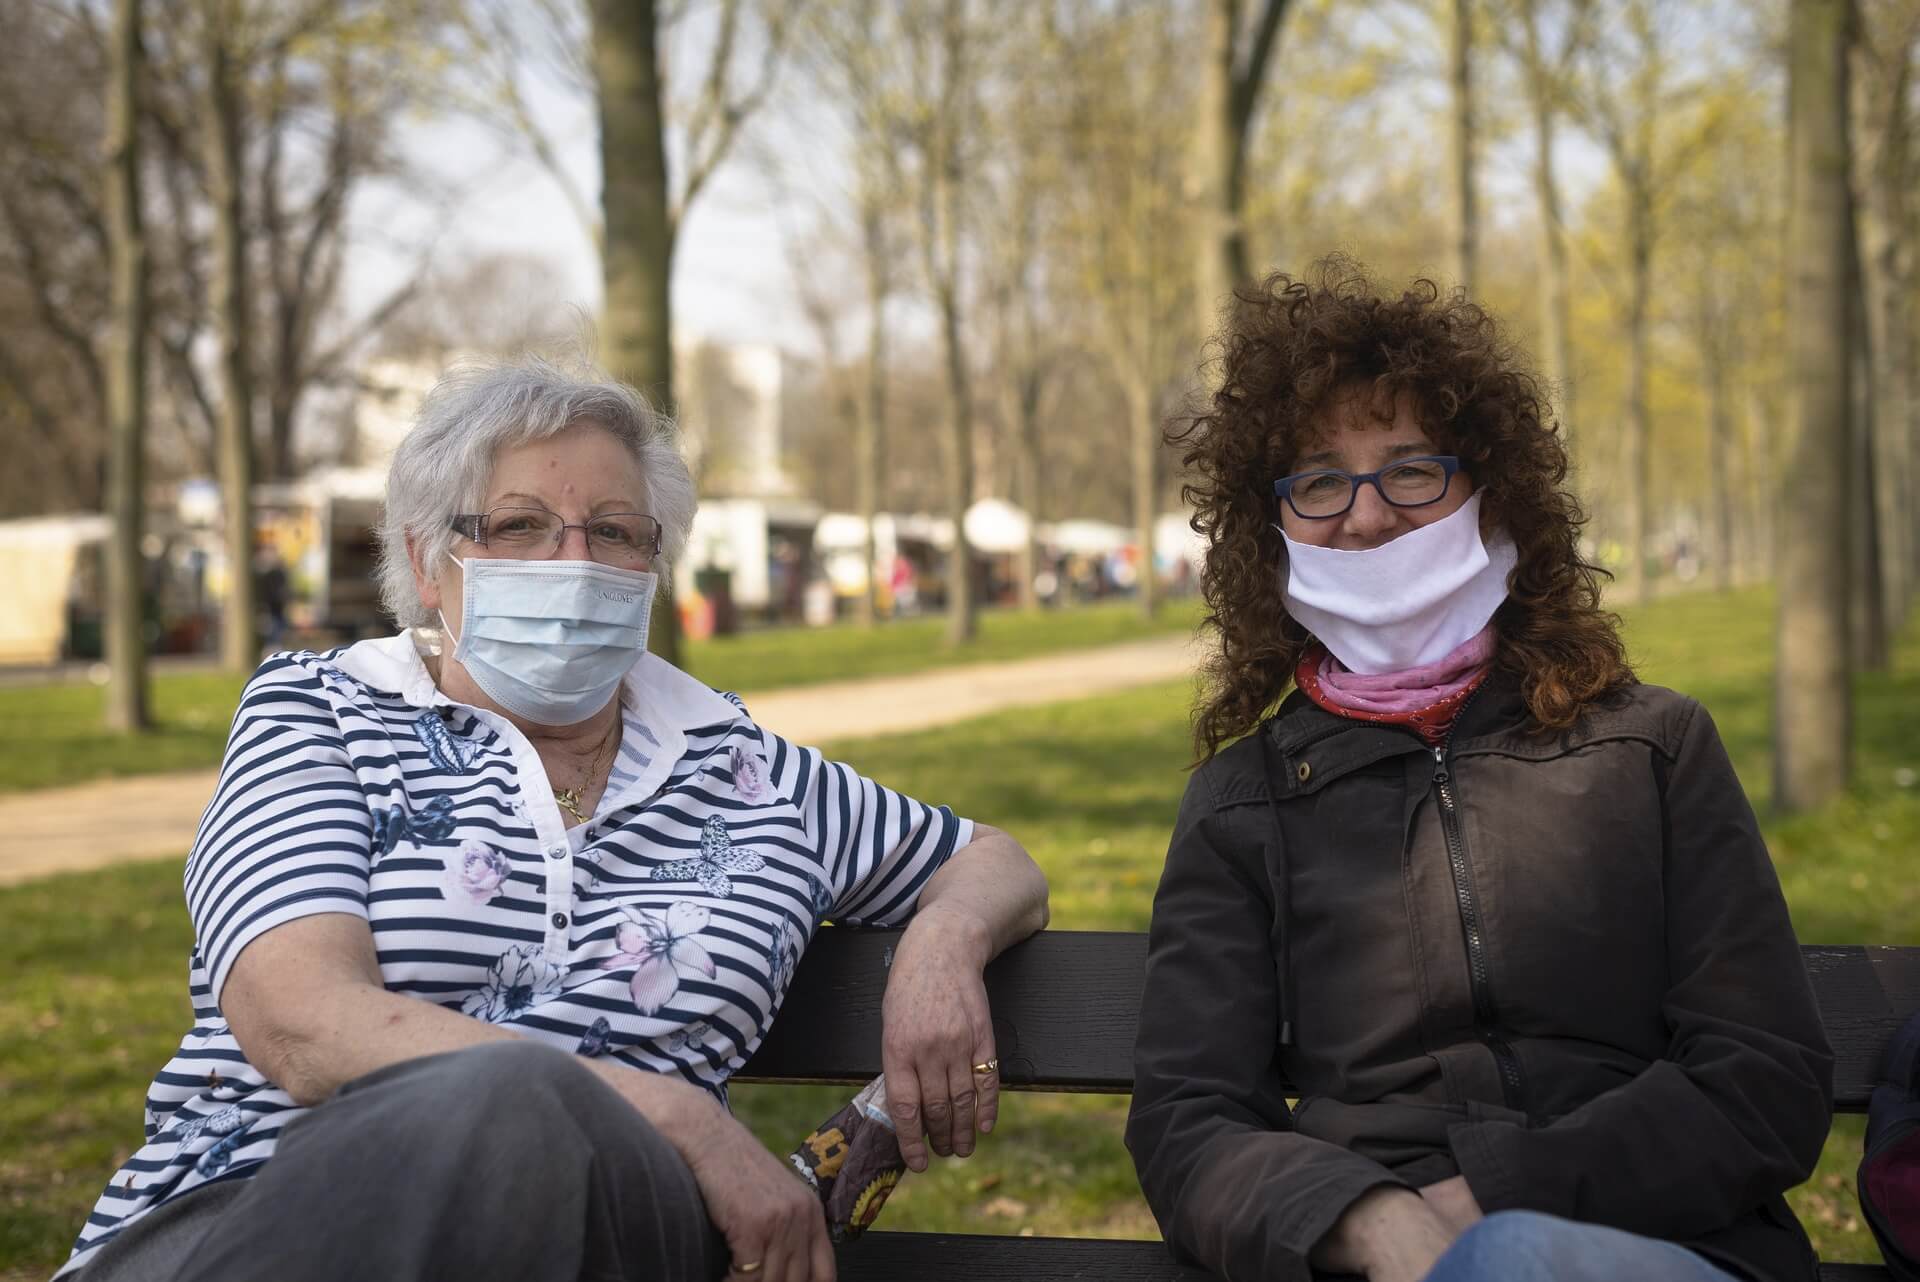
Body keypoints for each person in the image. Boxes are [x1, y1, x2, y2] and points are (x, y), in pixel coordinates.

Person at [63, 356, 1049, 1282]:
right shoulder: (322, 713)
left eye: (615, 530)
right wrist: (676, 1116)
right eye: (520, 524)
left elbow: (992, 859)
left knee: (524, 1120)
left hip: (618, 1225)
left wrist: (939, 947)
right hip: (249, 1205)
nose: (573, 560)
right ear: (426, 555)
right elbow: (301, 1019)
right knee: (513, 1108)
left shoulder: (748, 771)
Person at [1125, 260, 1832, 1282]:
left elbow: (1763, 1076)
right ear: (1269, 529)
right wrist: (1367, 1221)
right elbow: (1188, 1123)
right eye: (1320, 479)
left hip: (1662, 1245)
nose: (1366, 517)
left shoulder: (1651, 747)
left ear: (1492, 498)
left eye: (1412, 468)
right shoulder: (1243, 804)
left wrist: (1495, 1199)